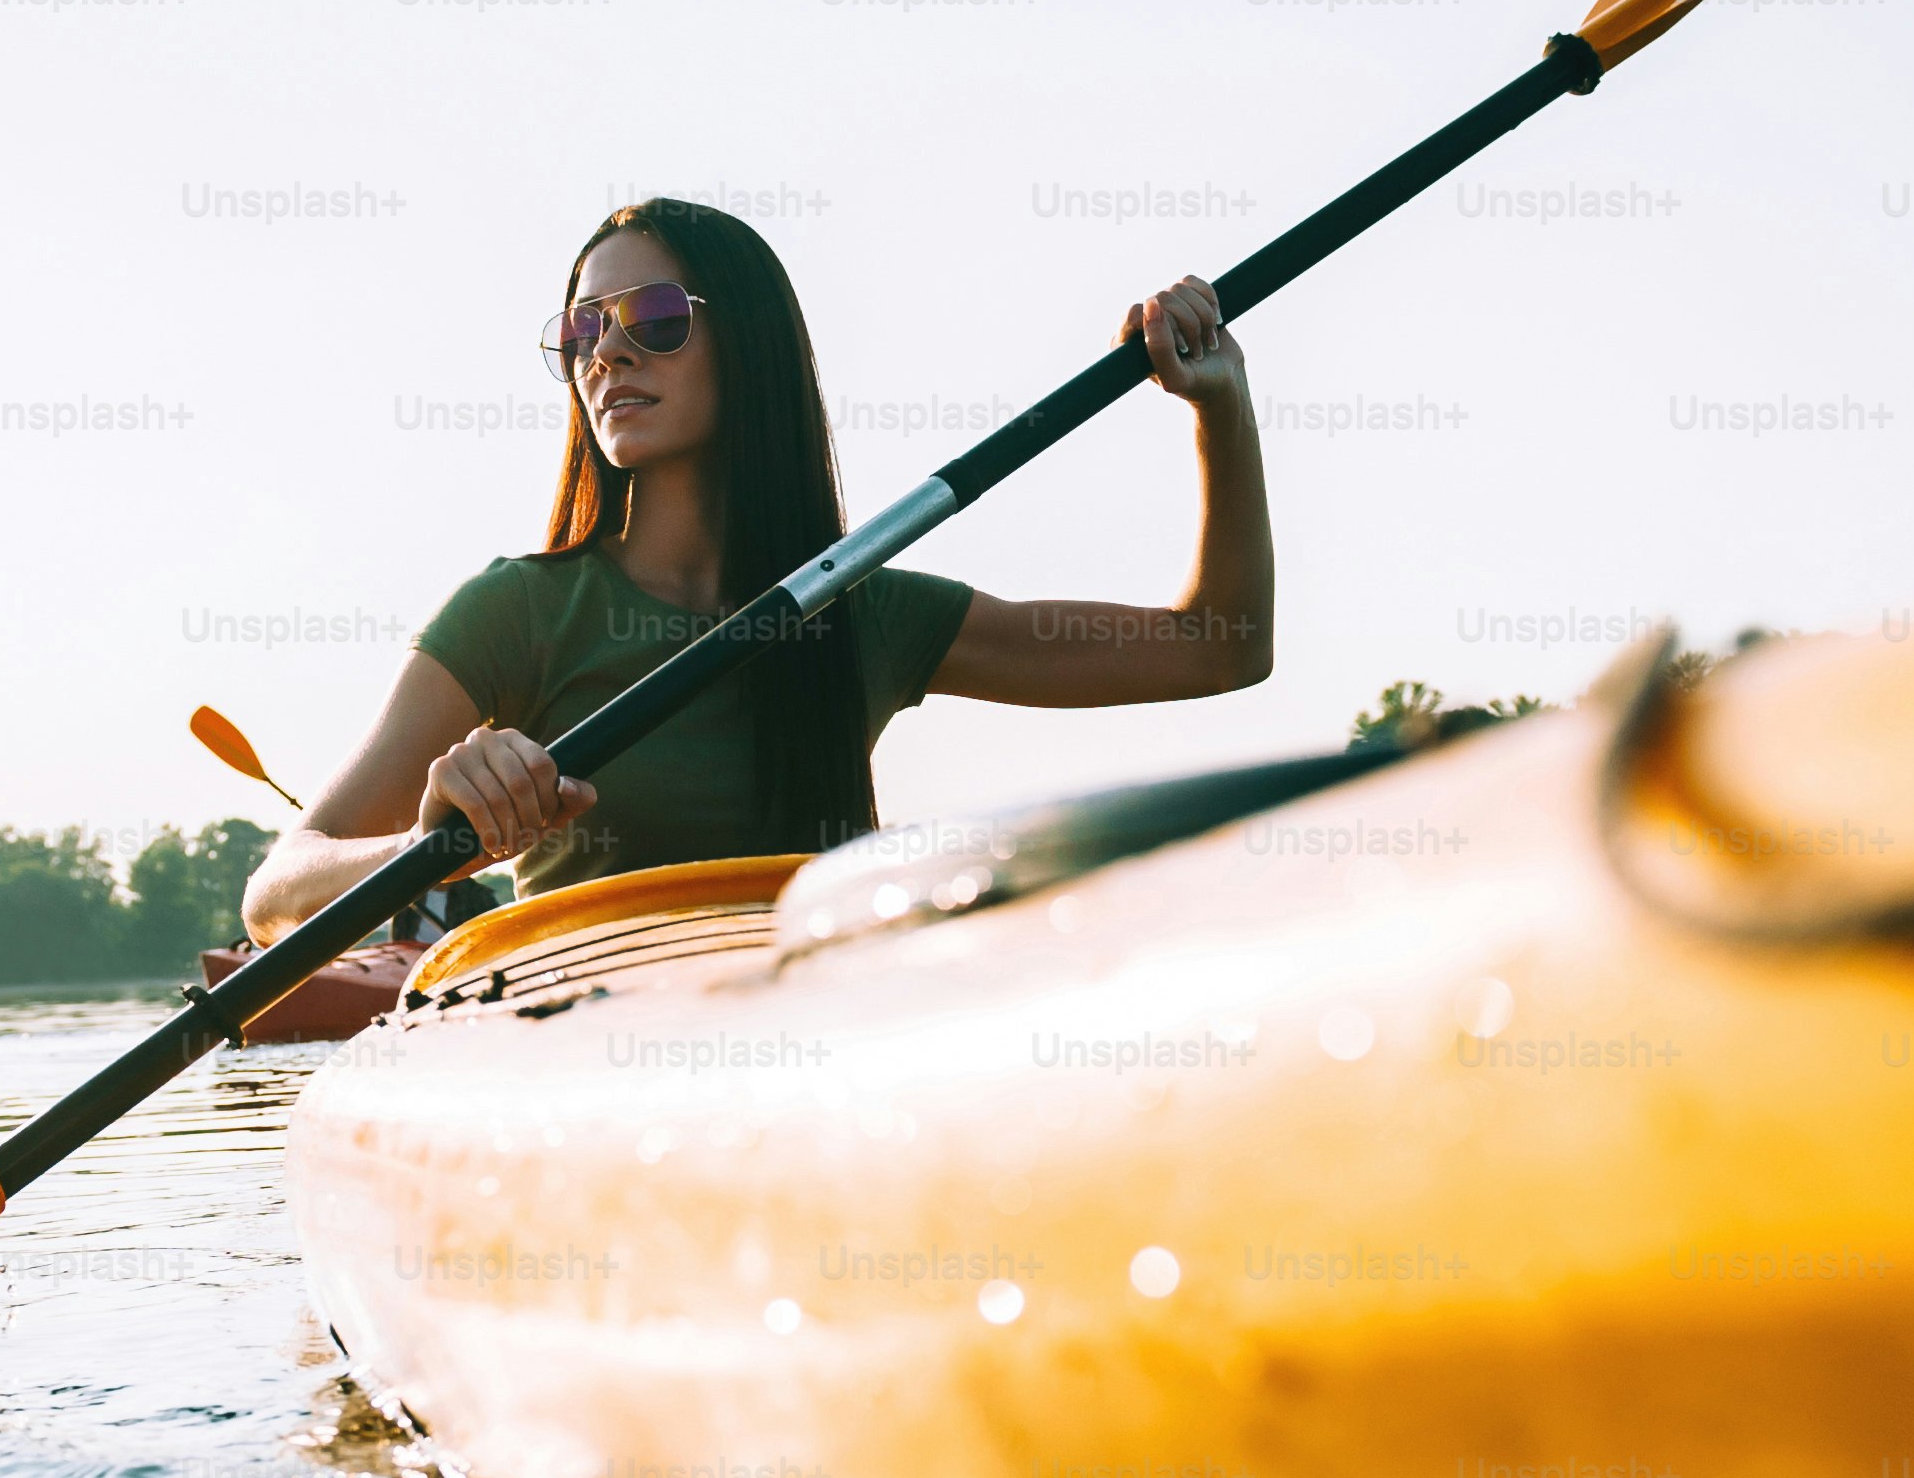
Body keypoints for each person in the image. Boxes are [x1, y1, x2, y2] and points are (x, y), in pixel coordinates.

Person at [239, 196, 1272, 935]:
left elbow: (1216, 652)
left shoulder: (859, 613)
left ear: (752, 350)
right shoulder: (515, 613)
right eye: (580, 332)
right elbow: (279, 889)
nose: (606, 354)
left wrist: (1218, 406)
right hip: (571, 1018)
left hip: (806, 1009)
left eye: (649, 320)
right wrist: (429, 846)